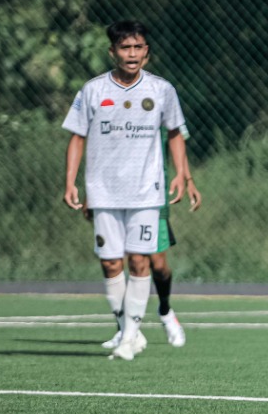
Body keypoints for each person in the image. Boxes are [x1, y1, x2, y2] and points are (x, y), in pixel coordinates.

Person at [62, 21, 194, 361]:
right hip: (103, 191)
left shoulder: (162, 90)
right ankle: (127, 330)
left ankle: (130, 338)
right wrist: (70, 181)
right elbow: (77, 137)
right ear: (113, 52)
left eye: (138, 48)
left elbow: (175, 133)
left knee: (141, 261)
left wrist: (183, 174)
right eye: (125, 48)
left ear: (146, 53)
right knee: (109, 265)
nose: (131, 54)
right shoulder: (92, 91)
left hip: (146, 192)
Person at [88, 153, 202, 349]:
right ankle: (125, 330)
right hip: (117, 194)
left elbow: (176, 138)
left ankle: (165, 311)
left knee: (158, 264)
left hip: (151, 193)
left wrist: (186, 177)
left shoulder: (159, 121)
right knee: (120, 261)